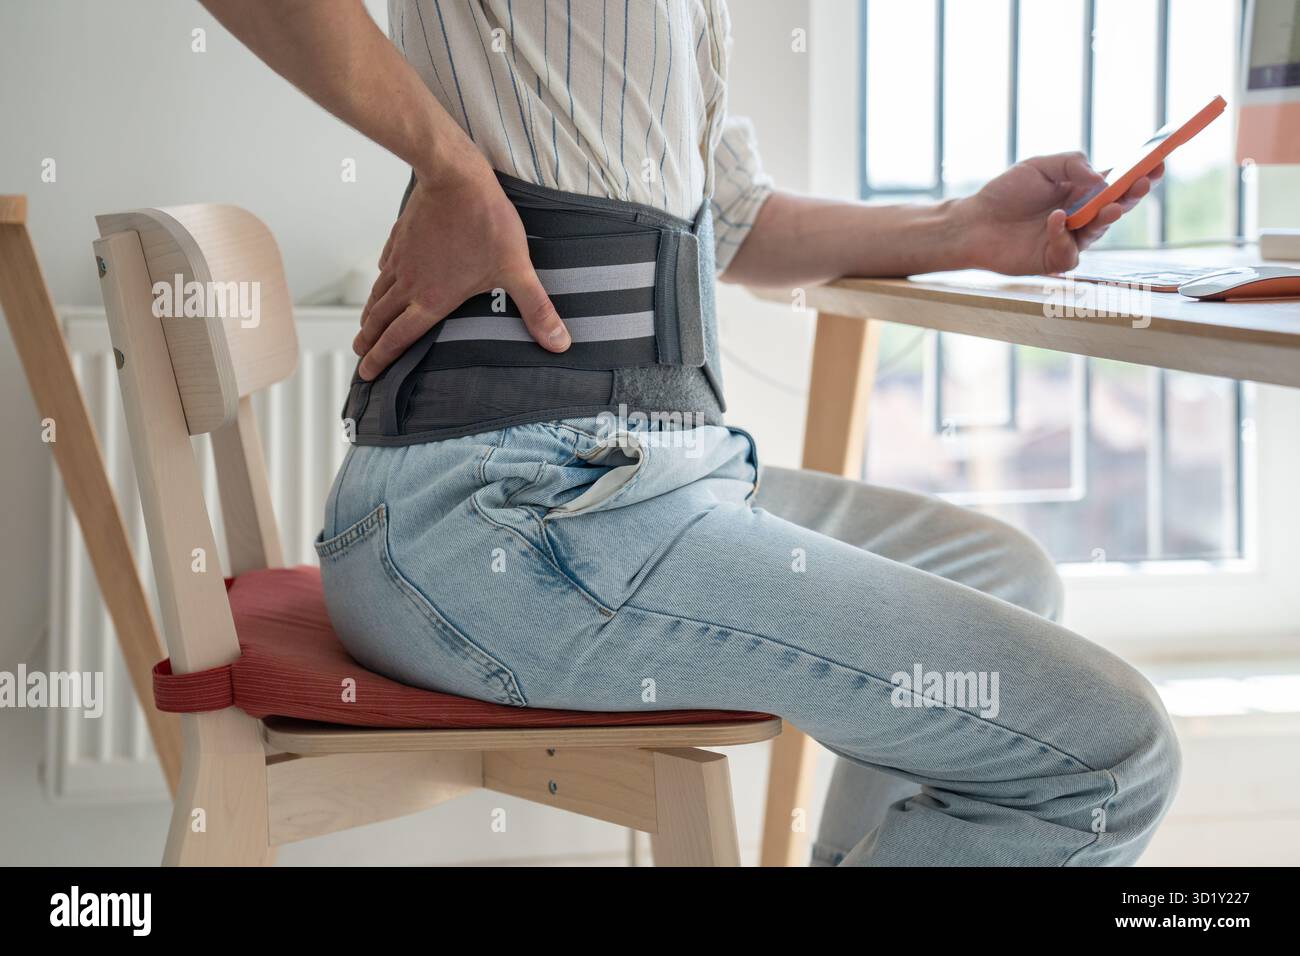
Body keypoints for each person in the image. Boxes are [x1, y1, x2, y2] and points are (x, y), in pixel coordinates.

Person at [202, 0, 1179, 866]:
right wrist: (450, 168)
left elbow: (737, 224)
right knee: (1108, 754)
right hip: (508, 512)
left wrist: (959, 227)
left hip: (650, 479)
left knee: (999, 570)